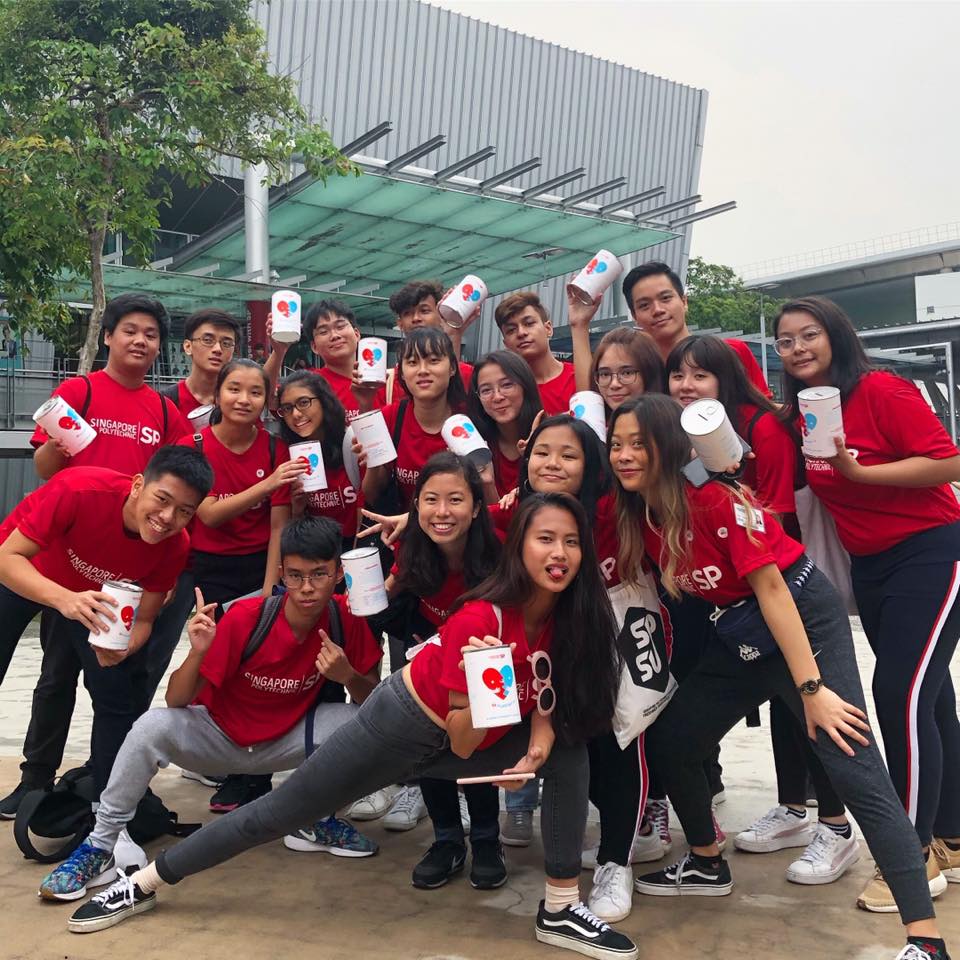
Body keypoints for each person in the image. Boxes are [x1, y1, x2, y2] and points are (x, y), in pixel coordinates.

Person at [65, 494, 638, 960]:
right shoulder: (480, 620)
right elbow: (465, 739)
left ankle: (560, 910)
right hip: (398, 725)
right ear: (520, 549)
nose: (559, 552)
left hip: (449, 742)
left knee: (568, 750)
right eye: (545, 539)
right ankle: (141, 886)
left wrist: (534, 752)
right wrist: (469, 695)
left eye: (570, 541)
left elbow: (546, 697)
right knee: (273, 816)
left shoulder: (567, 618)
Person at [609, 393, 951, 960]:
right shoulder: (642, 511)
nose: (624, 455)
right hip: (741, 637)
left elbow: (772, 589)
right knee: (673, 739)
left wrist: (812, 690)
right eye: (617, 444)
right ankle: (705, 861)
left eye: (638, 444)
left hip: (799, 615)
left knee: (854, 766)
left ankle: (926, 939)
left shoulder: (712, 501)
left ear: (667, 447)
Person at [37, 515, 383, 901]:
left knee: (362, 725)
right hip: (219, 739)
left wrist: (347, 674)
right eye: (297, 575)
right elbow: (176, 701)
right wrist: (198, 653)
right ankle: (101, 844)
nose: (306, 588)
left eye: (319, 575)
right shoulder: (248, 618)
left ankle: (315, 820)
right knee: (152, 725)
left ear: (339, 574)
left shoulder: (347, 617)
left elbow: (373, 702)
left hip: (286, 739)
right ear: (282, 573)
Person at [774, 295, 960, 911]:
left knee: (898, 697)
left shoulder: (882, 390)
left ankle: (908, 854)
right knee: (931, 702)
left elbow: (950, 461)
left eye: (810, 335)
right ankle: (952, 837)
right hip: (874, 567)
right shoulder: (798, 413)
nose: (799, 348)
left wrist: (860, 473)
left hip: (932, 550)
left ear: (836, 338)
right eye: (786, 340)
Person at [664, 333, 855, 882]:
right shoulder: (678, 434)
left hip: (779, 582)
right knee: (779, 706)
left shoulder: (764, 428)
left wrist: (723, 493)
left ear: (726, 379)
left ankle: (836, 825)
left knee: (808, 704)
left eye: (700, 375)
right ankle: (795, 811)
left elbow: (770, 509)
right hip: (730, 593)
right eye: (678, 375)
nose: (687, 385)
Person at [1, 294, 191, 819]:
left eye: (151, 335)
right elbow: (44, 467)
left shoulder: (161, 411)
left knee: (105, 678)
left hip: (119, 566)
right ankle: (35, 779)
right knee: (54, 675)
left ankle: (113, 788)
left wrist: (159, 565)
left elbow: (182, 476)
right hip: (52, 547)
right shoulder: (78, 391)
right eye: (130, 330)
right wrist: (56, 450)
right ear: (107, 335)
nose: (141, 341)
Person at [0, 447, 212, 797]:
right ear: (137, 485)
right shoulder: (79, 490)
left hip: (90, 598)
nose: (167, 517)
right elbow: (7, 558)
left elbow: (144, 618)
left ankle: (107, 805)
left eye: (184, 512)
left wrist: (123, 648)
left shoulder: (175, 546)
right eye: (162, 499)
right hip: (28, 569)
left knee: (116, 692)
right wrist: (64, 599)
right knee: (53, 679)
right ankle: (34, 781)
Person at [177, 358, 304, 813]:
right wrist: (268, 484)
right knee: (217, 668)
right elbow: (207, 513)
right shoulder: (195, 445)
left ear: (266, 401)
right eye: (234, 389)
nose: (243, 400)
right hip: (207, 569)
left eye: (255, 392)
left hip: (259, 568)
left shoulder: (276, 451)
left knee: (261, 670)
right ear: (217, 395)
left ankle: (252, 777)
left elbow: (278, 527)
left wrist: (271, 591)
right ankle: (222, 758)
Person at [376, 453, 505, 888]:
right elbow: (381, 602)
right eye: (430, 500)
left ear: (475, 507)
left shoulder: (499, 549)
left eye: (455, 499)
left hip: (487, 658)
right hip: (431, 661)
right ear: (416, 506)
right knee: (430, 744)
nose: (442, 512)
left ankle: (488, 839)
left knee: (477, 742)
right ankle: (447, 839)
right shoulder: (411, 548)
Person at [360, 327, 469, 511]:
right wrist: (373, 460)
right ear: (401, 372)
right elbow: (371, 495)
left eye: (433, 360)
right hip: (404, 536)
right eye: (412, 362)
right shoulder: (390, 417)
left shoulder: (468, 420)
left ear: (452, 368)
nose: (423, 370)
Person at [620, 261, 769, 395]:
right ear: (634, 316)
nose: (657, 309)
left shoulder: (733, 352)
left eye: (665, 298)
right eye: (644, 305)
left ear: (684, 301)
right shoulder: (637, 375)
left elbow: (764, 412)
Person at [276, 371, 360, 546]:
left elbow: (370, 502)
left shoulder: (353, 443)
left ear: (324, 401)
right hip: (317, 552)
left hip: (357, 546)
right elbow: (291, 526)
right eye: (287, 408)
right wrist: (298, 510)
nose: (296, 414)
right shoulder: (287, 455)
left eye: (304, 402)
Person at [264, 299, 379, 423]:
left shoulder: (385, 380)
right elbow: (266, 397)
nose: (335, 335)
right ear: (314, 347)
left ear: (356, 334)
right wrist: (279, 351)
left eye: (340, 326)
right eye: (323, 331)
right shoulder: (309, 384)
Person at [566, 293, 664, 414]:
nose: (614, 384)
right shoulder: (597, 428)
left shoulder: (670, 427)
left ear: (649, 373)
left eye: (627, 373)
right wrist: (579, 325)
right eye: (604, 374)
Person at [467, 350, 542, 496]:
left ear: (525, 386)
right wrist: (487, 483)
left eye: (507, 385)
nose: (497, 397)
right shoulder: (476, 445)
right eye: (486, 390)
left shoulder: (550, 436)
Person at [495, 292, 577, 415]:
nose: (521, 333)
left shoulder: (579, 377)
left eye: (529, 324)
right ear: (506, 344)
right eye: (511, 330)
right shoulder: (505, 393)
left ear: (548, 329)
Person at [160, 308, 240, 415]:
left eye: (226, 343)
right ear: (188, 346)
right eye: (207, 340)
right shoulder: (165, 402)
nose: (218, 349)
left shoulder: (239, 404)